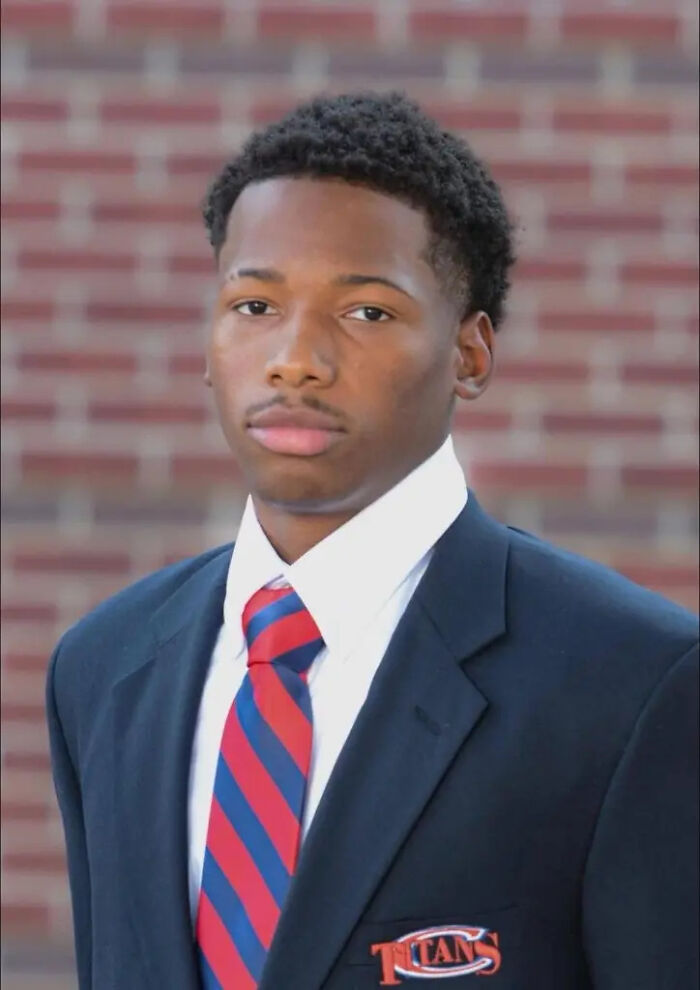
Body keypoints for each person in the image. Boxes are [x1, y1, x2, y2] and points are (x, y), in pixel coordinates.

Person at [46, 91, 698, 990]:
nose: (295, 358)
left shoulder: (636, 685)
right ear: (208, 342)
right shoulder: (103, 670)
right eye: (254, 306)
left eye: (367, 313)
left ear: (470, 354)